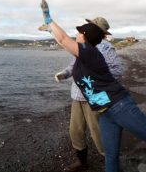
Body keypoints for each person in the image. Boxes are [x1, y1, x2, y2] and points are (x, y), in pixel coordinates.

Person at [39, 0, 146, 172]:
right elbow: (63, 43)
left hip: (120, 106)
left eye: (80, 32)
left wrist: (48, 18)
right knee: (111, 156)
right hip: (105, 112)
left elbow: (63, 39)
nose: (77, 34)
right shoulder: (82, 54)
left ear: (86, 37)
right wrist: (51, 30)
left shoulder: (90, 52)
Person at [52, 18, 123, 171]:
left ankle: (112, 165)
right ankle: (82, 162)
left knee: (99, 133)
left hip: (96, 97)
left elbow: (117, 70)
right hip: (77, 96)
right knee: (75, 131)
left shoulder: (106, 47)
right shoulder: (82, 46)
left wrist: (97, 79)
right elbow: (74, 65)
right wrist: (64, 74)